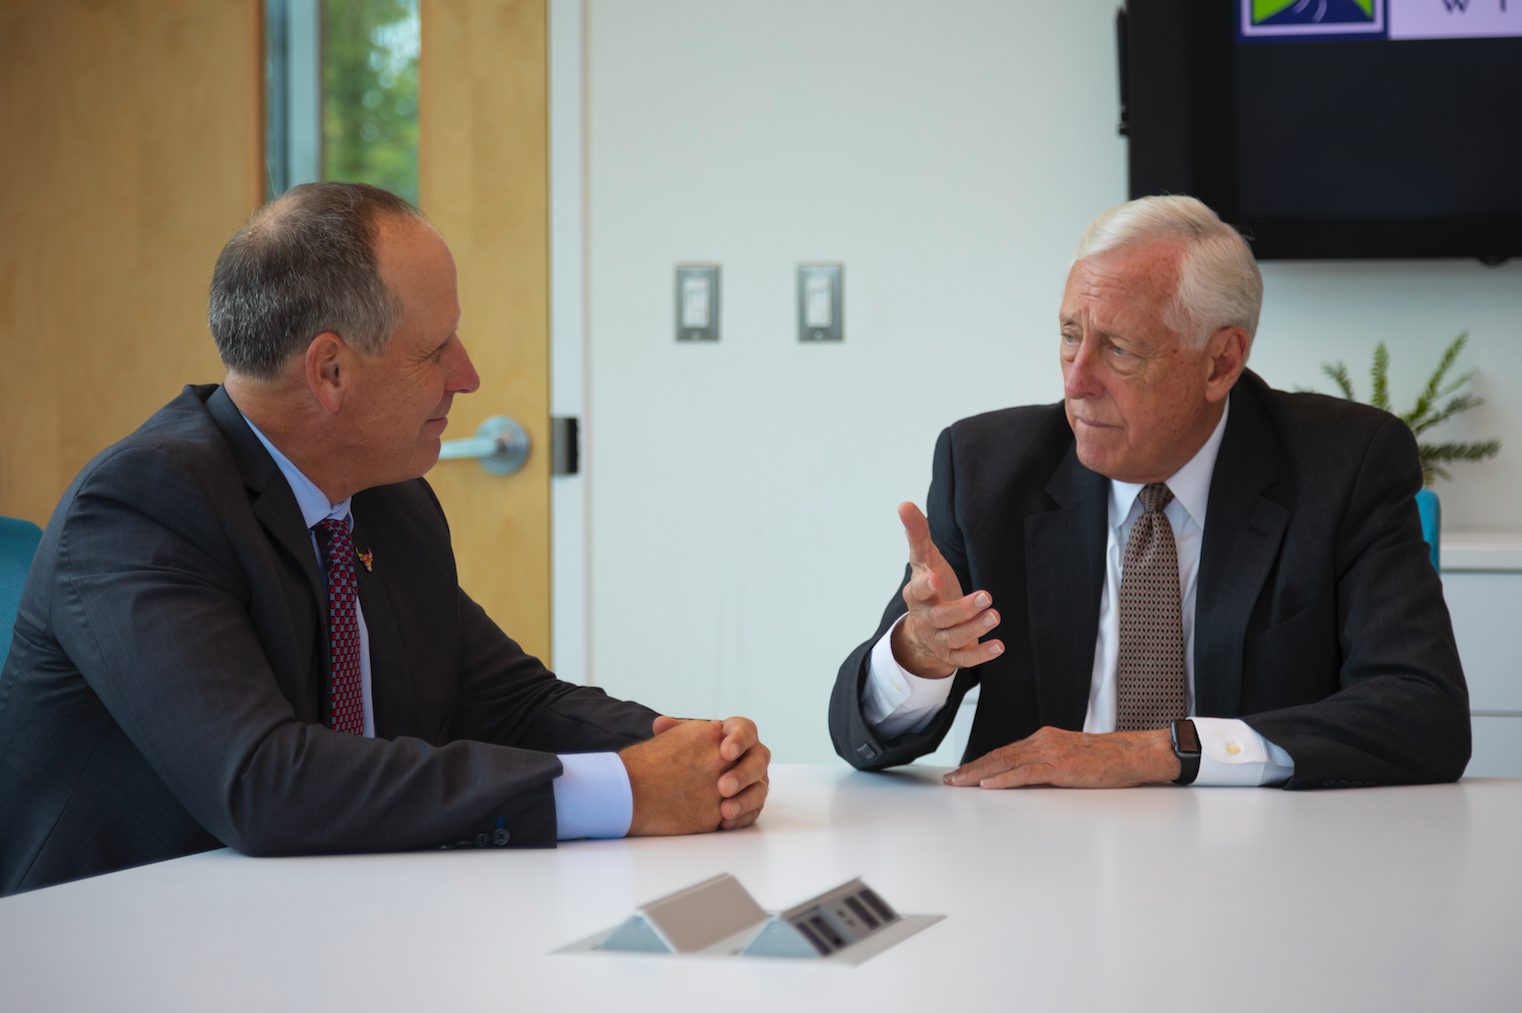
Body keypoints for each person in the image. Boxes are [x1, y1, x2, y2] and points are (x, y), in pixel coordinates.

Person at [0, 182, 770, 896]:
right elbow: (268, 785)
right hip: (111, 946)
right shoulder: (142, 506)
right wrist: (625, 792)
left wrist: (697, 752)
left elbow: (506, 699)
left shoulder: (388, 500)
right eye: (437, 350)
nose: (467, 376)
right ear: (330, 370)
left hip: (325, 913)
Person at [830, 195, 1469, 790]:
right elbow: (867, 738)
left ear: (1220, 362)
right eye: (1070, 335)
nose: (1077, 382)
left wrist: (1161, 752)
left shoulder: (1343, 465)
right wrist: (916, 656)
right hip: (1032, 860)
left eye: (1119, 349)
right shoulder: (989, 469)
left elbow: (1423, 710)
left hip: (1262, 864)